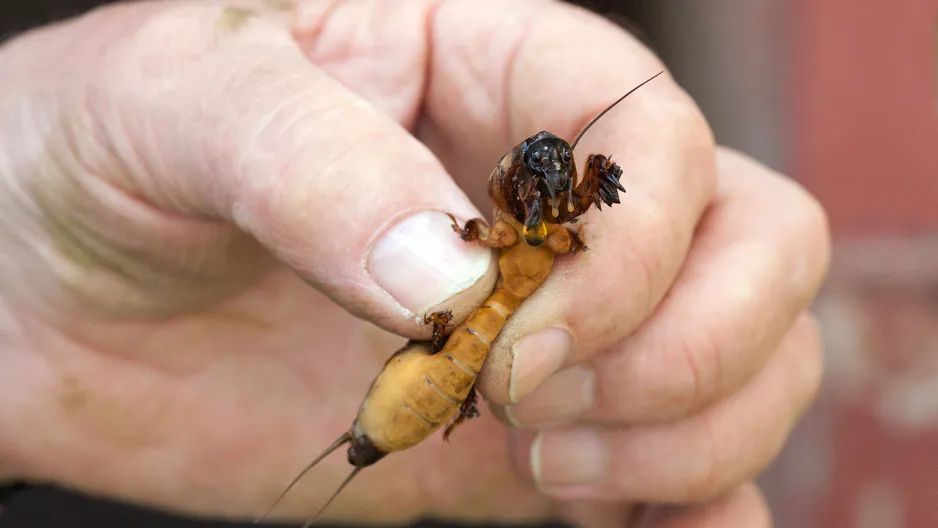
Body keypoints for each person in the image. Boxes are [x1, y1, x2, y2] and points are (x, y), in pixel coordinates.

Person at [0, 1, 829, 527]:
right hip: (430, 366)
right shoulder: (504, 236)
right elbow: (494, 234)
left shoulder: (549, 234)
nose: (546, 176)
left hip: (460, 382)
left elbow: (578, 227)